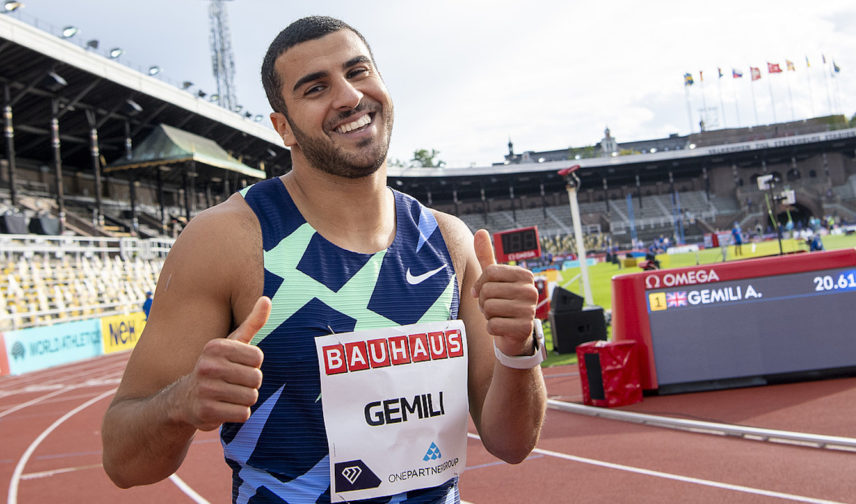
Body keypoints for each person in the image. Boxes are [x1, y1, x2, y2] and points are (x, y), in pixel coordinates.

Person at [101, 16, 546, 504]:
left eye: (358, 72)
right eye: (315, 88)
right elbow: (123, 462)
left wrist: (518, 349)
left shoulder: (448, 240)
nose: (349, 97)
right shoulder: (228, 240)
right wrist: (181, 403)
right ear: (283, 128)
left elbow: (512, 443)